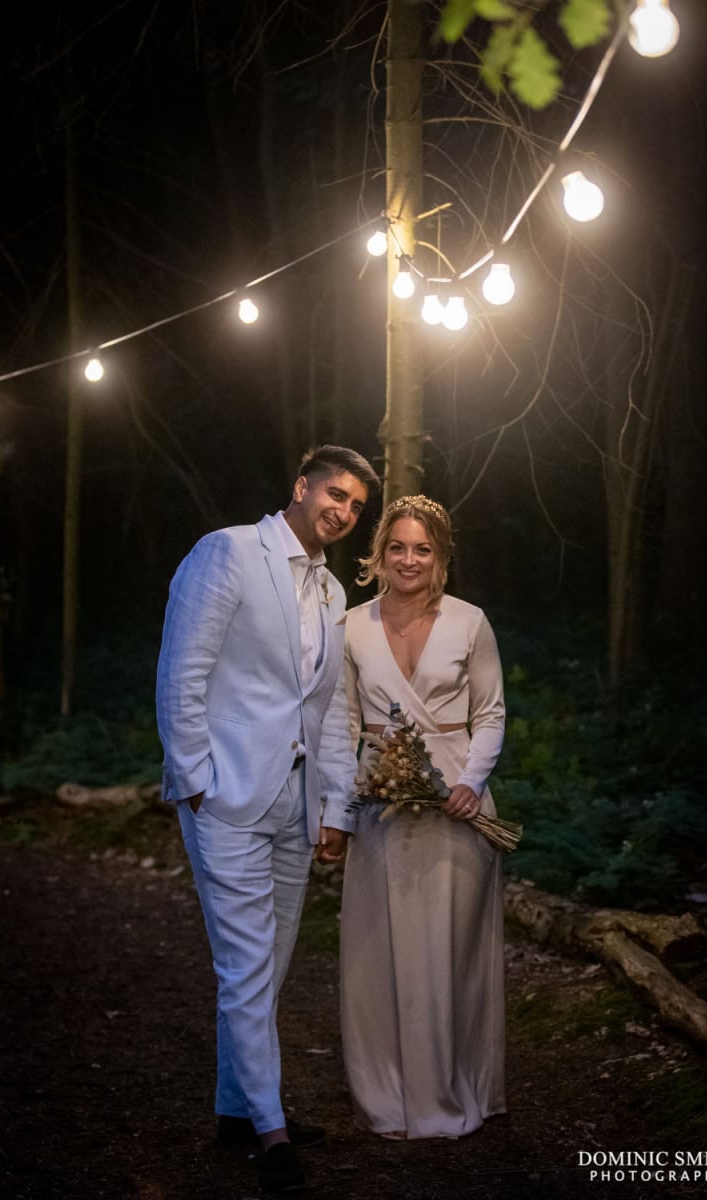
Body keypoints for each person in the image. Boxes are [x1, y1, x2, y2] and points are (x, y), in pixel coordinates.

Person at [155, 445, 379, 1193]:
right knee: (246, 966)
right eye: (336, 495)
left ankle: (234, 1107)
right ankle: (272, 1130)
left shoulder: (332, 594)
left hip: (297, 800)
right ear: (302, 485)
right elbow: (181, 673)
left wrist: (336, 806)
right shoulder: (227, 554)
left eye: (355, 507)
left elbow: (331, 710)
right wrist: (195, 785)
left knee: (270, 964)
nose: (343, 512)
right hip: (227, 796)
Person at [340, 494, 506, 1141]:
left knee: (448, 955)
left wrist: (470, 781)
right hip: (380, 805)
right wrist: (344, 801)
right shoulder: (350, 626)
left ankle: (454, 1086)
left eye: (423, 549)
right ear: (379, 552)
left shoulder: (470, 623)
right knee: (380, 952)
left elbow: (489, 712)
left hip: (458, 808)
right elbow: (343, 723)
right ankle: (388, 1091)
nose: (408, 559)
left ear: (440, 557)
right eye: (397, 547)